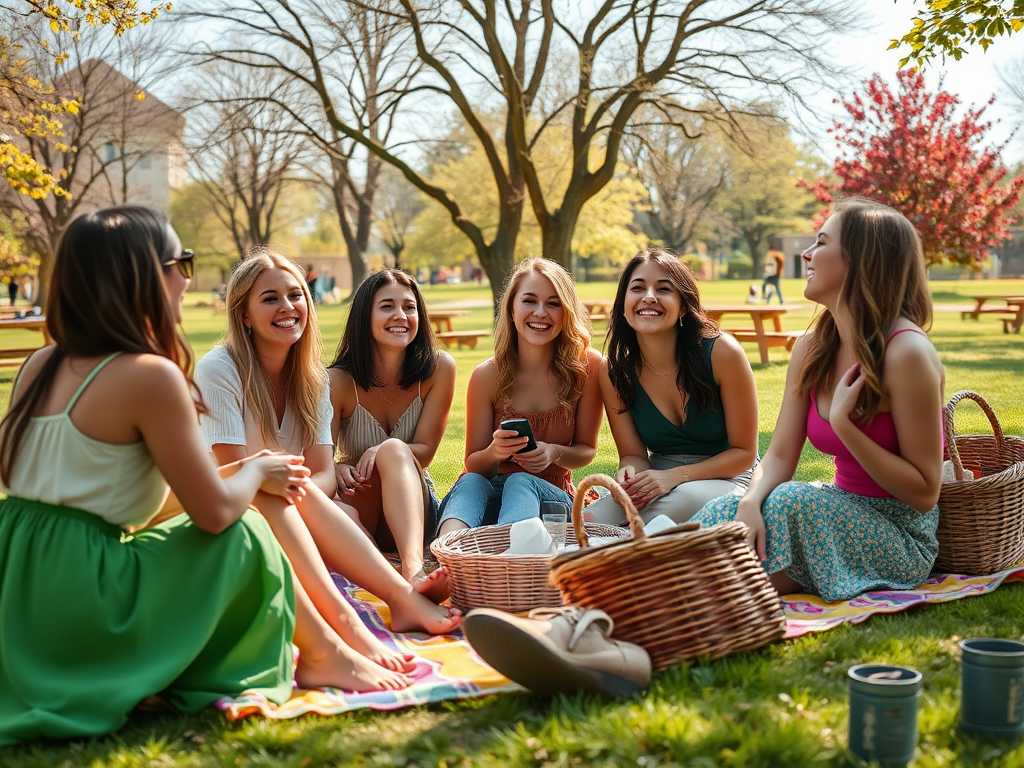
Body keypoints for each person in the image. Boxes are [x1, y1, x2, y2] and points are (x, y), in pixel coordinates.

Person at [0, 206, 310, 746]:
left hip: (18, 583)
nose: (187, 279)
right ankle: (303, 656)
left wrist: (238, 473)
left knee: (239, 503)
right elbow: (213, 515)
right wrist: (258, 467)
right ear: (146, 275)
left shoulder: (38, 364)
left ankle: (333, 646)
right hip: (84, 595)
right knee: (246, 531)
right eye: (182, 263)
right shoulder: (149, 375)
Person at [196, 249, 460, 691]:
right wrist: (283, 480)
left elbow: (321, 471)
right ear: (243, 313)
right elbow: (230, 472)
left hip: (290, 505)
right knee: (273, 486)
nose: (287, 307)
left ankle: (400, 596)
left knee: (315, 501)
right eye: (270, 299)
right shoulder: (220, 369)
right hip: (231, 510)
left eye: (296, 295)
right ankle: (378, 611)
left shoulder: (313, 378)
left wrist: (292, 482)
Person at [692, 198, 945, 602]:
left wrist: (847, 426)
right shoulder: (812, 346)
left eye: (821, 243)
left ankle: (689, 583)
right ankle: (667, 576)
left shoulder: (906, 352)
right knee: (729, 510)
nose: (807, 255)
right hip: (832, 512)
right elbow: (777, 457)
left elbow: (925, 492)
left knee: (792, 501)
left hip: (898, 534)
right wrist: (750, 502)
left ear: (862, 259)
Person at [587, 249, 759, 526]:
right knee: (590, 519)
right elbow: (632, 455)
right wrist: (629, 478)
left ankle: (619, 550)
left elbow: (744, 454)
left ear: (682, 306)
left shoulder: (722, 353)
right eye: (638, 288)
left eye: (664, 289)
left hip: (729, 477)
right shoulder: (614, 371)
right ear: (623, 304)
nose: (649, 296)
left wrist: (673, 477)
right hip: (658, 477)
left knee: (684, 499)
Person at [436, 258, 603, 536]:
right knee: (470, 482)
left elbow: (586, 449)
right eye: (529, 301)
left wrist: (554, 453)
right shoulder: (487, 376)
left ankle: (513, 557)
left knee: (520, 482)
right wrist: (494, 452)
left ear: (567, 312)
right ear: (512, 310)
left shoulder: (588, 367)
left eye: (553, 303)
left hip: (550, 502)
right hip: (490, 500)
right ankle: (446, 553)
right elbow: (474, 464)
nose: (540, 312)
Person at [328, 269, 456, 601]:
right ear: (364, 316)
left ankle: (413, 569)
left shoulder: (440, 369)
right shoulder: (336, 382)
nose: (400, 316)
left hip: (413, 506)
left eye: (409, 307)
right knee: (336, 509)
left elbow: (424, 452)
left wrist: (385, 449)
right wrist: (338, 467)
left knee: (395, 450)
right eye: (387, 306)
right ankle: (388, 578)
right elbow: (317, 459)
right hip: (361, 502)